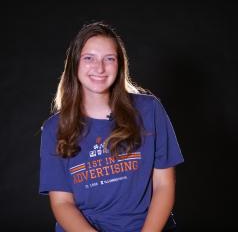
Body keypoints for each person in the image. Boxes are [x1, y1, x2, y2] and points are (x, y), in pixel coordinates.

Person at [39, 21, 184, 232]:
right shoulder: (54, 128)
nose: (100, 68)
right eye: (89, 58)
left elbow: (163, 186)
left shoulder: (149, 110)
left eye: (109, 59)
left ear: (120, 65)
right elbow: (62, 203)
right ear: (74, 64)